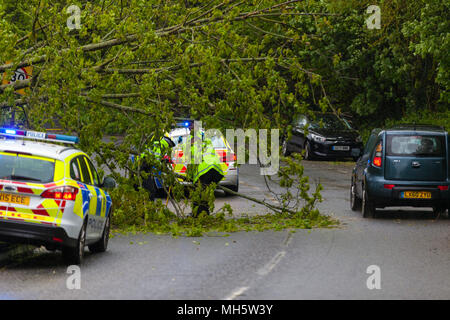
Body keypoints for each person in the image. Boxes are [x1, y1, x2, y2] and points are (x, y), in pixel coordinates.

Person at [185, 129, 224, 216]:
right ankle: (204, 214)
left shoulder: (192, 145)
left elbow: (191, 163)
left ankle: (198, 214)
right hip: (217, 171)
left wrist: (190, 177)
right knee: (205, 194)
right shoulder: (207, 140)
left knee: (198, 193)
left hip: (205, 171)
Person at [137, 135, 175, 200]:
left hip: (142, 166)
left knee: (146, 190)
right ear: (168, 145)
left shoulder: (156, 144)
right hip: (143, 167)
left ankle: (145, 205)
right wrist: (165, 168)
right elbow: (157, 163)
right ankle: (148, 207)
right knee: (150, 191)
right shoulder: (160, 147)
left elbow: (154, 158)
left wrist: (163, 160)